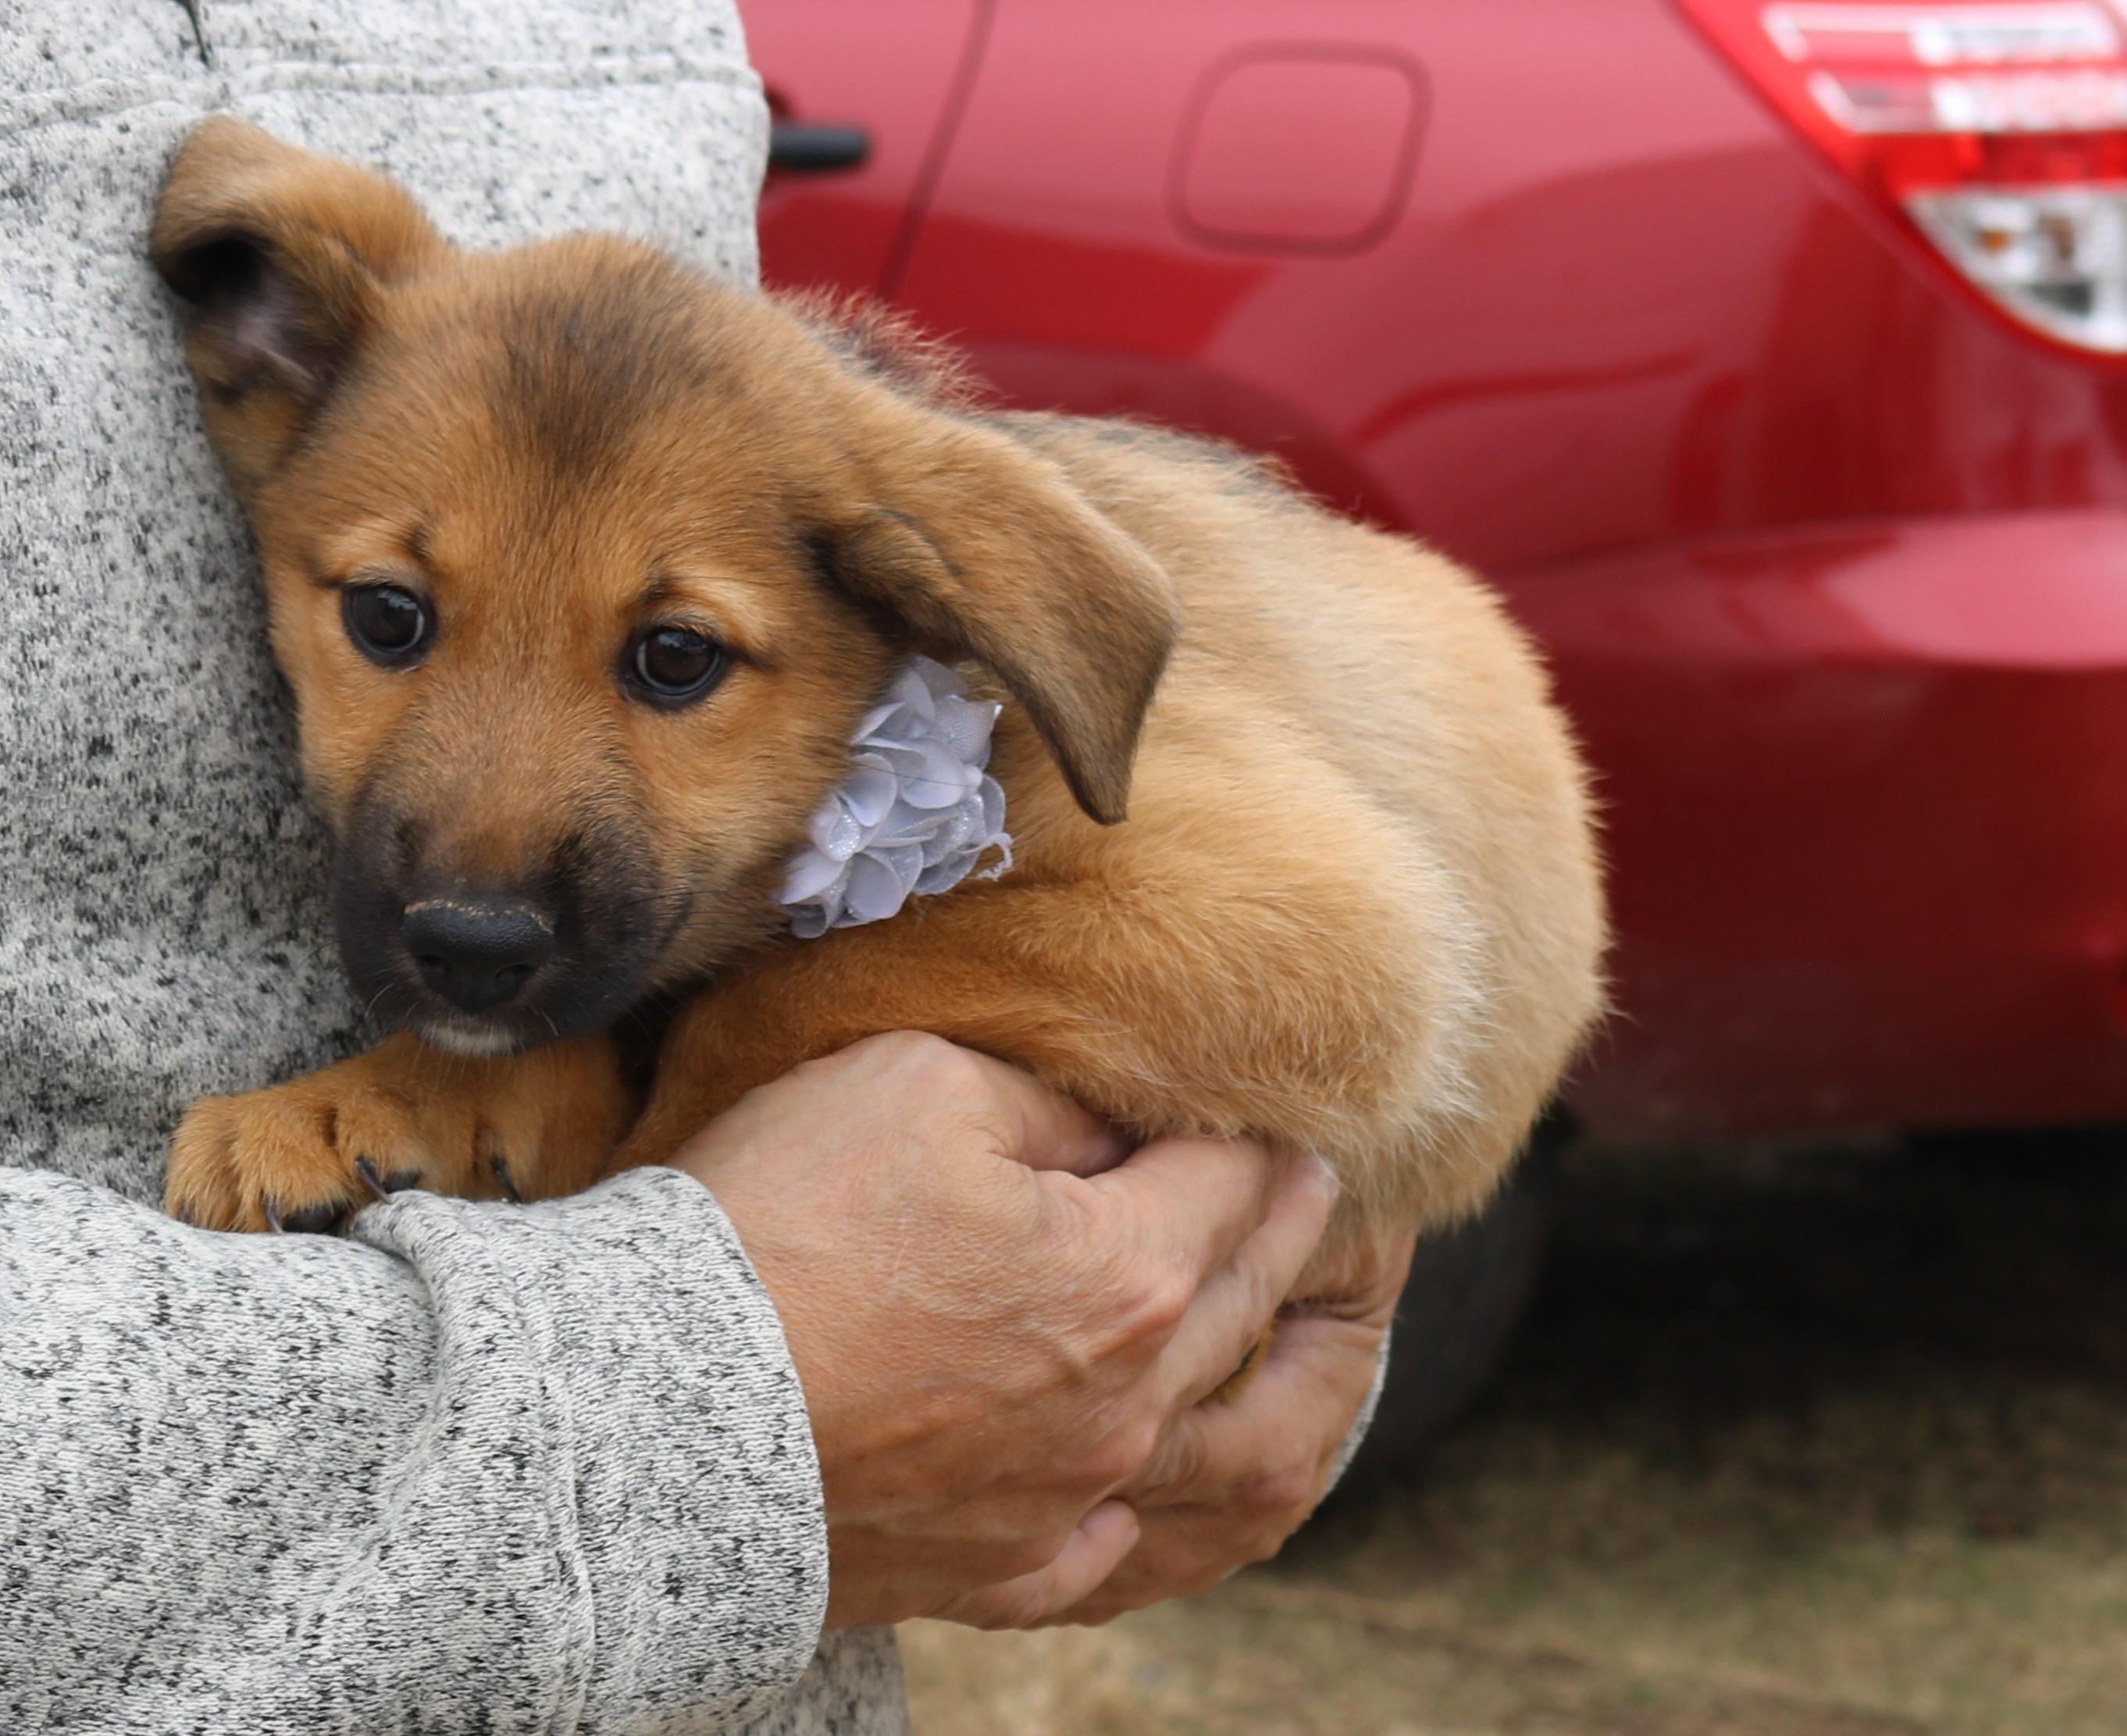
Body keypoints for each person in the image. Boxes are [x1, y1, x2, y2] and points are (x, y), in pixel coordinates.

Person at [0, 2, 1412, 1731]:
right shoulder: (325, 361)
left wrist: (1271, 1282)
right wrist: (701, 1367)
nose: (477, 882)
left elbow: (1345, 994)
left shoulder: (890, 617)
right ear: (266, 358)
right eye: (394, 620)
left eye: (671, 660)